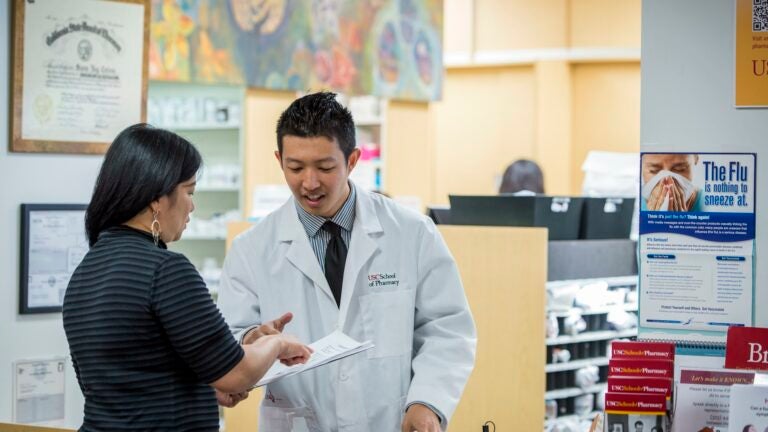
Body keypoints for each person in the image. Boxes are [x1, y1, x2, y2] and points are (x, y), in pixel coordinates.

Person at [217, 92, 477, 432]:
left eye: (325, 167)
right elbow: (229, 340)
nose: (309, 183)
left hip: (389, 421)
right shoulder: (251, 249)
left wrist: (427, 402)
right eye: (295, 168)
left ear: (352, 160)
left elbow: (448, 328)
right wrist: (254, 339)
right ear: (280, 159)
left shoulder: (412, 233)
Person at [62, 124, 312, 431]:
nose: (192, 205)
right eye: (189, 191)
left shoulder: (86, 270)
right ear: (156, 197)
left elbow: (129, 378)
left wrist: (201, 387)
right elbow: (237, 373)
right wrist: (279, 344)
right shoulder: (166, 270)